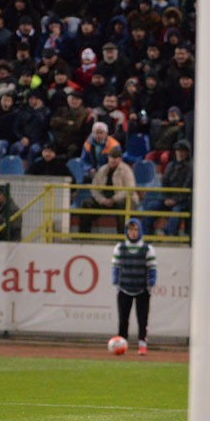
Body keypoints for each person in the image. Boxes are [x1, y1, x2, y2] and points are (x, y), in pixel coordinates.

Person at [112, 218, 157, 356]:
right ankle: (121, 344)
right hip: (124, 288)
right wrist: (116, 282)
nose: (133, 232)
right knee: (123, 318)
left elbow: (152, 268)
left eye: (135, 229)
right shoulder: (120, 247)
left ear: (140, 231)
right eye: (130, 230)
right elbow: (116, 267)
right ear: (127, 231)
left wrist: (151, 283)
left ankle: (142, 344)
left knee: (142, 318)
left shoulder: (147, 248)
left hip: (142, 289)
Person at [79, 146, 138, 234]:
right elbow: (94, 188)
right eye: (111, 158)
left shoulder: (126, 170)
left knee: (123, 205)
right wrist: (102, 200)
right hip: (104, 199)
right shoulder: (102, 170)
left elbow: (130, 189)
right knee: (86, 204)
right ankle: (83, 235)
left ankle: (121, 236)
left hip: (120, 199)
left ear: (120, 159)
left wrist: (113, 199)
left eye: (115, 158)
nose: (112, 160)